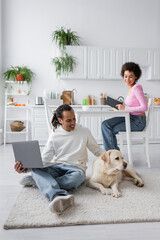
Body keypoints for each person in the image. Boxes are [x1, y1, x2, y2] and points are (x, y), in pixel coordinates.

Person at [14, 104, 104, 214]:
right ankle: (57, 195)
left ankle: (41, 182)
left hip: (76, 169)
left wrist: (111, 158)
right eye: (68, 120)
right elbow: (45, 159)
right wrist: (26, 169)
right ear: (60, 120)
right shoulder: (54, 135)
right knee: (35, 170)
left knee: (78, 177)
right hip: (57, 167)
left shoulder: (84, 131)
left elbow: (97, 150)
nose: (73, 123)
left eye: (74, 118)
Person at [101, 62, 148, 151]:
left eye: (130, 76)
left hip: (138, 122)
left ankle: (113, 156)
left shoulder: (137, 87)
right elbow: (133, 105)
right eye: (125, 76)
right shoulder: (130, 88)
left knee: (110, 129)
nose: (127, 79)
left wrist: (125, 108)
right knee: (105, 124)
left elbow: (144, 107)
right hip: (130, 117)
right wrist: (121, 107)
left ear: (136, 76)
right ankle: (114, 155)